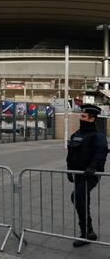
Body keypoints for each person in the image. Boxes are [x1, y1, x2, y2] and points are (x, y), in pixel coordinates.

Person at [66, 104, 108, 247]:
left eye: (83, 116)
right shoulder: (77, 134)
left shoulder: (98, 136)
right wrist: (69, 169)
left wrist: (93, 168)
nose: (80, 117)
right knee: (82, 199)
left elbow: (100, 154)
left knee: (77, 197)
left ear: (91, 119)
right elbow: (70, 153)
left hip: (90, 175)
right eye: (81, 115)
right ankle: (89, 232)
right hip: (78, 174)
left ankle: (86, 233)